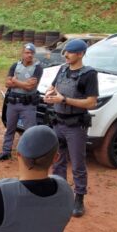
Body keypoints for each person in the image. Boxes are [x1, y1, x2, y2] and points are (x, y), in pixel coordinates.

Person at [43, 39, 98, 217]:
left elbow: (91, 102)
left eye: (70, 52)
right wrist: (49, 95)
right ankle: (59, 194)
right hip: (58, 121)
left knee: (77, 163)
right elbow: (53, 87)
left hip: (75, 125)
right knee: (58, 161)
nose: (66, 55)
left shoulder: (89, 74)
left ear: (80, 54)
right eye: (65, 52)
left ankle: (79, 198)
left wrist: (64, 100)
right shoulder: (63, 69)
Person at [0, 44, 43, 161]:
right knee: (10, 128)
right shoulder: (15, 65)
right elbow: (7, 83)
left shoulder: (37, 67)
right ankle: (6, 151)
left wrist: (15, 81)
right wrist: (23, 83)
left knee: (30, 131)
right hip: (13, 103)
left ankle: (31, 156)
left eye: (31, 53)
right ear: (22, 53)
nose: (29, 55)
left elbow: (30, 87)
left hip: (28, 104)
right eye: (27, 52)